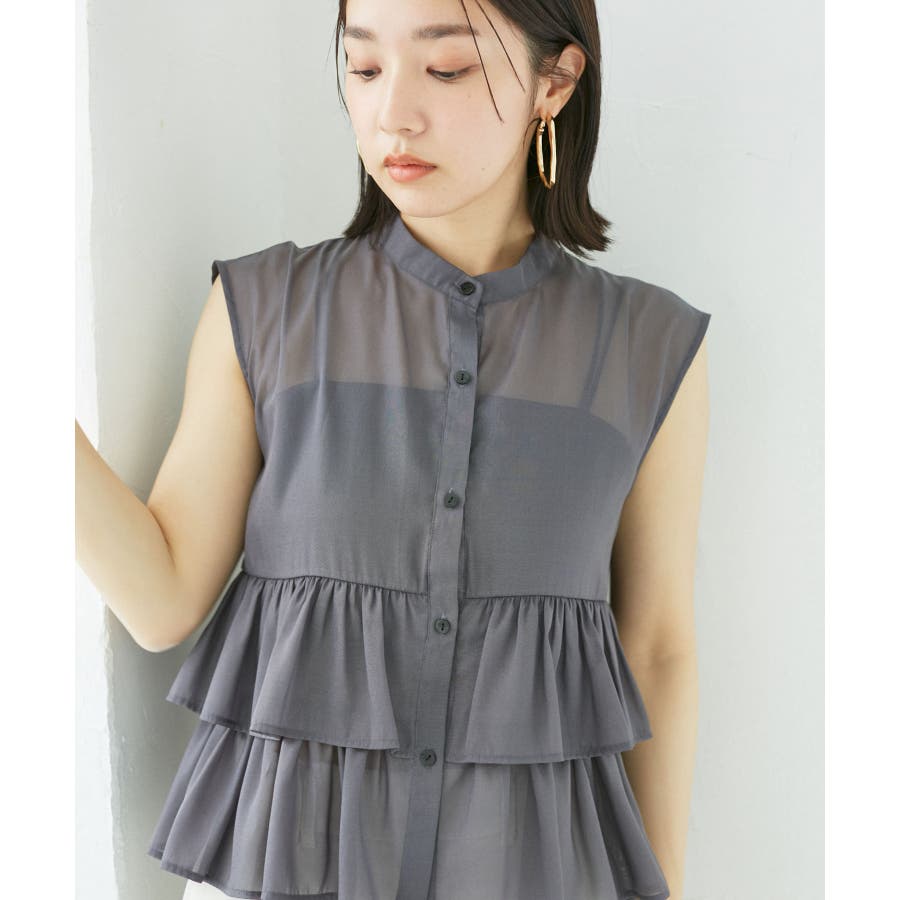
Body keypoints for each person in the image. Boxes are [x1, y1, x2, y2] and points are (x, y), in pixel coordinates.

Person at [75, 1, 711, 898]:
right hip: (286, 868)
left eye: (446, 69)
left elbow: (656, 646)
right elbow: (162, 600)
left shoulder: (647, 345)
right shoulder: (266, 311)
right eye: (364, 68)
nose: (391, 115)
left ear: (556, 82)